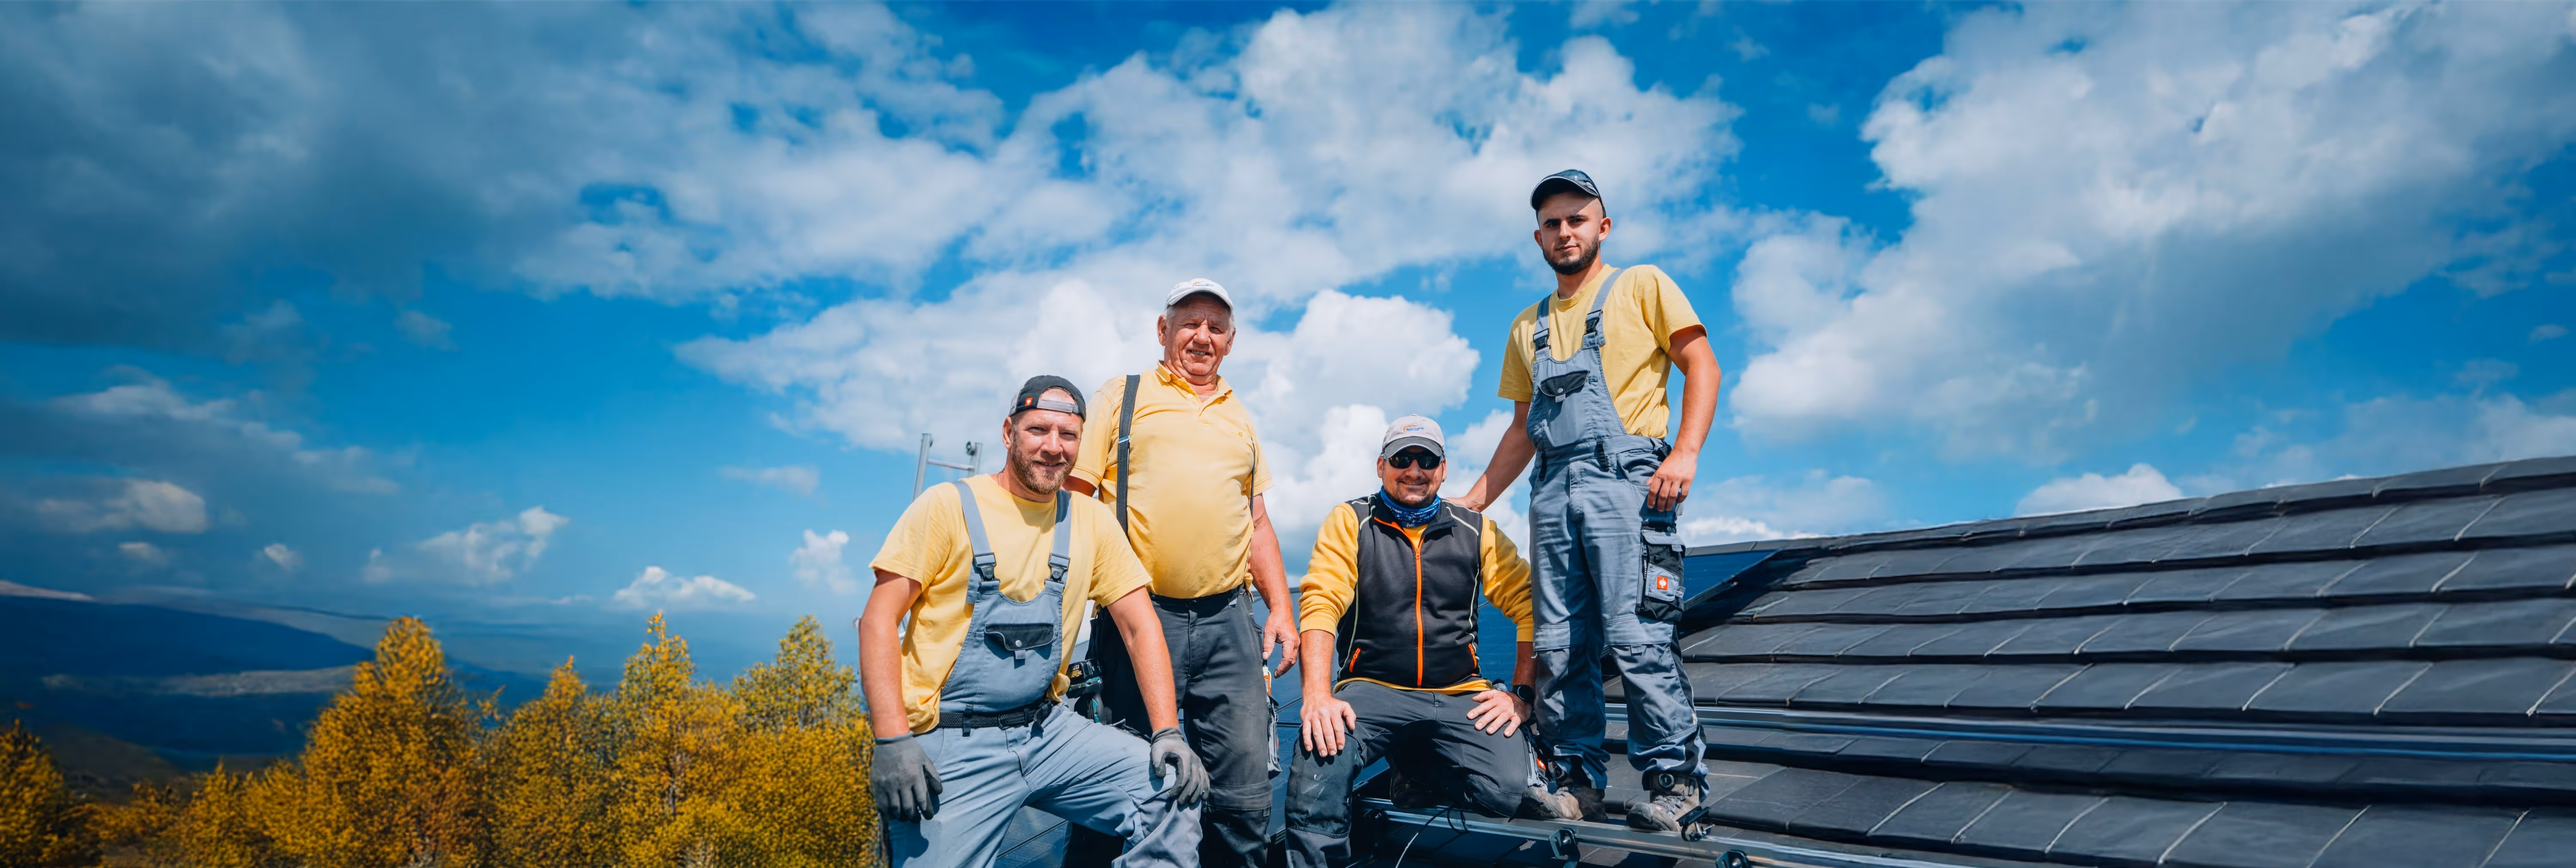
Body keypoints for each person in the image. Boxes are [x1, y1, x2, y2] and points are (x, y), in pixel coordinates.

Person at [1453, 170, 1722, 833]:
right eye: (1552, 222)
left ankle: (1675, 783)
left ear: (1602, 227)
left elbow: (1702, 364)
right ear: (1538, 236)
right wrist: (1470, 504)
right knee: (1558, 643)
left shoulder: (1641, 286)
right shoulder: (1529, 326)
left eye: (1577, 218)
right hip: (1552, 490)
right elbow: (1521, 429)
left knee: (1636, 637)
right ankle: (1576, 779)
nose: (1564, 231)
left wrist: (1684, 452)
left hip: (1626, 480)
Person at [860, 375, 1210, 868]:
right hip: (950, 744)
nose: (1053, 447)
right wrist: (892, 739)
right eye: (1038, 430)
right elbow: (877, 620)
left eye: (1067, 435)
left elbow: (1139, 624)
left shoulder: (1089, 520)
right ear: (1008, 432)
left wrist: (1167, 731)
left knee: (1172, 790)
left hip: (1047, 732)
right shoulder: (947, 508)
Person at [1063, 278, 1296, 868]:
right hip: (1138, 618)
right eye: (1189, 322)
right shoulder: (1121, 395)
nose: (1202, 335)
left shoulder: (1239, 415)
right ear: (1162, 330)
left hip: (1229, 620)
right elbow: (1074, 500)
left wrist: (1282, 609)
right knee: (1124, 780)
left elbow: (1258, 522)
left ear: (1231, 342)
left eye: (1215, 327)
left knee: (1242, 793)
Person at [1283, 415, 1577, 868]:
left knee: (1509, 791)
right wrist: (1318, 694)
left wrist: (1521, 695)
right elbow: (1321, 603)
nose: (1414, 470)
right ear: (1381, 465)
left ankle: (1415, 763)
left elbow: (1529, 605)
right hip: (1372, 689)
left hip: (1458, 690)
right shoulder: (1351, 521)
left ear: (1443, 469)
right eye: (1402, 458)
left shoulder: (1476, 529)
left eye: (1427, 459)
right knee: (1319, 752)